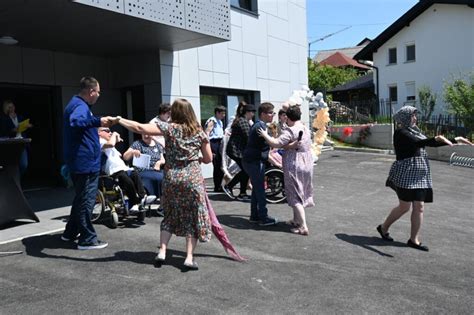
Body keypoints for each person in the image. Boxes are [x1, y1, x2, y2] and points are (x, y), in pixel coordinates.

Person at [112, 99, 244, 270]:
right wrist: (194, 158)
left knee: (170, 214)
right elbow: (208, 159)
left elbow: (140, 128)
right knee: (192, 217)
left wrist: (119, 119)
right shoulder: (199, 132)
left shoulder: (169, 128)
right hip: (192, 179)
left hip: (171, 178)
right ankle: (189, 258)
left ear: (175, 113)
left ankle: (162, 251)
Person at [376, 105, 473, 251]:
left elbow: (430, 142)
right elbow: (419, 143)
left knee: (419, 206)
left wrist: (456, 139)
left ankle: (414, 240)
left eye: (415, 115)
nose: (415, 118)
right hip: (406, 173)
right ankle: (383, 228)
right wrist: (435, 138)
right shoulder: (401, 132)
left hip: (421, 173)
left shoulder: (416, 132)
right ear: (405, 117)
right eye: (413, 115)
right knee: (404, 207)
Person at [62, 76, 112, 250]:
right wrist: (99, 121)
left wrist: (97, 128)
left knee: (80, 198)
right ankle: (87, 239)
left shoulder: (76, 104)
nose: (98, 95)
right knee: (86, 200)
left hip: (81, 161)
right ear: (91, 92)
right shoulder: (79, 106)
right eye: (97, 92)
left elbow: (80, 126)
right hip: (84, 163)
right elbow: (76, 122)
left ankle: (69, 233)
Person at [258, 105, 314, 235]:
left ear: (288, 117)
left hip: (294, 163)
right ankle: (296, 220)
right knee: (301, 191)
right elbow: (297, 144)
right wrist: (291, 145)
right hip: (307, 163)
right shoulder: (305, 128)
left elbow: (276, 143)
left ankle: (303, 226)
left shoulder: (290, 130)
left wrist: (265, 135)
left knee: (294, 195)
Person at [242, 102, 278, 226]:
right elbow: (273, 143)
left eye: (273, 112)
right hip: (254, 162)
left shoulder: (260, 125)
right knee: (260, 190)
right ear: (263, 114)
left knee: (256, 190)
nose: (273, 115)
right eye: (270, 112)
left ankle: (254, 216)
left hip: (252, 161)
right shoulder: (260, 127)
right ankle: (263, 217)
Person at [98, 127, 151, 213]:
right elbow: (111, 144)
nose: (110, 133)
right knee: (126, 180)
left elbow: (118, 154)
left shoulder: (110, 144)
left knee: (135, 174)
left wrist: (117, 140)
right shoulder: (99, 142)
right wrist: (115, 134)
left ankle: (143, 197)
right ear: (99, 133)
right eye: (107, 131)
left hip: (123, 168)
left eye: (110, 131)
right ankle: (134, 202)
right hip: (113, 171)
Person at [223, 103, 256, 200]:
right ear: (248, 112)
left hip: (238, 150)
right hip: (236, 151)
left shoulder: (242, 120)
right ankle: (229, 186)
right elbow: (248, 137)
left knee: (245, 170)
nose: (253, 115)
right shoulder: (242, 121)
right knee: (246, 170)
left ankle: (242, 193)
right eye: (252, 112)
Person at [123, 133, 164, 201]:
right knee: (158, 177)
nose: (145, 135)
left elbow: (163, 159)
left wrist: (159, 163)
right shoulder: (137, 144)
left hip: (156, 169)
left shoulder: (158, 145)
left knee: (167, 176)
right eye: (143, 134)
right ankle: (153, 197)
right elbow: (125, 157)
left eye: (148, 134)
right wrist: (133, 152)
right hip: (143, 170)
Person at [1, 100, 33, 175]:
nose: (12, 108)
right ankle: (14, 182)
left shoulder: (20, 116)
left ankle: (18, 179)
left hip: (21, 143)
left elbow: (26, 126)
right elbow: (3, 132)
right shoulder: (4, 119)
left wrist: (29, 126)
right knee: (12, 166)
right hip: (11, 145)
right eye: (9, 107)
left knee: (24, 165)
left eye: (13, 106)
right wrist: (13, 130)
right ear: (6, 108)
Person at [205, 105, 226, 192]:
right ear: (217, 113)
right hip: (214, 143)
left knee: (221, 166)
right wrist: (209, 148)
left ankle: (220, 185)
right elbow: (207, 133)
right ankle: (217, 186)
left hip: (220, 142)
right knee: (217, 166)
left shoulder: (220, 122)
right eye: (222, 113)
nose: (223, 115)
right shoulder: (212, 121)